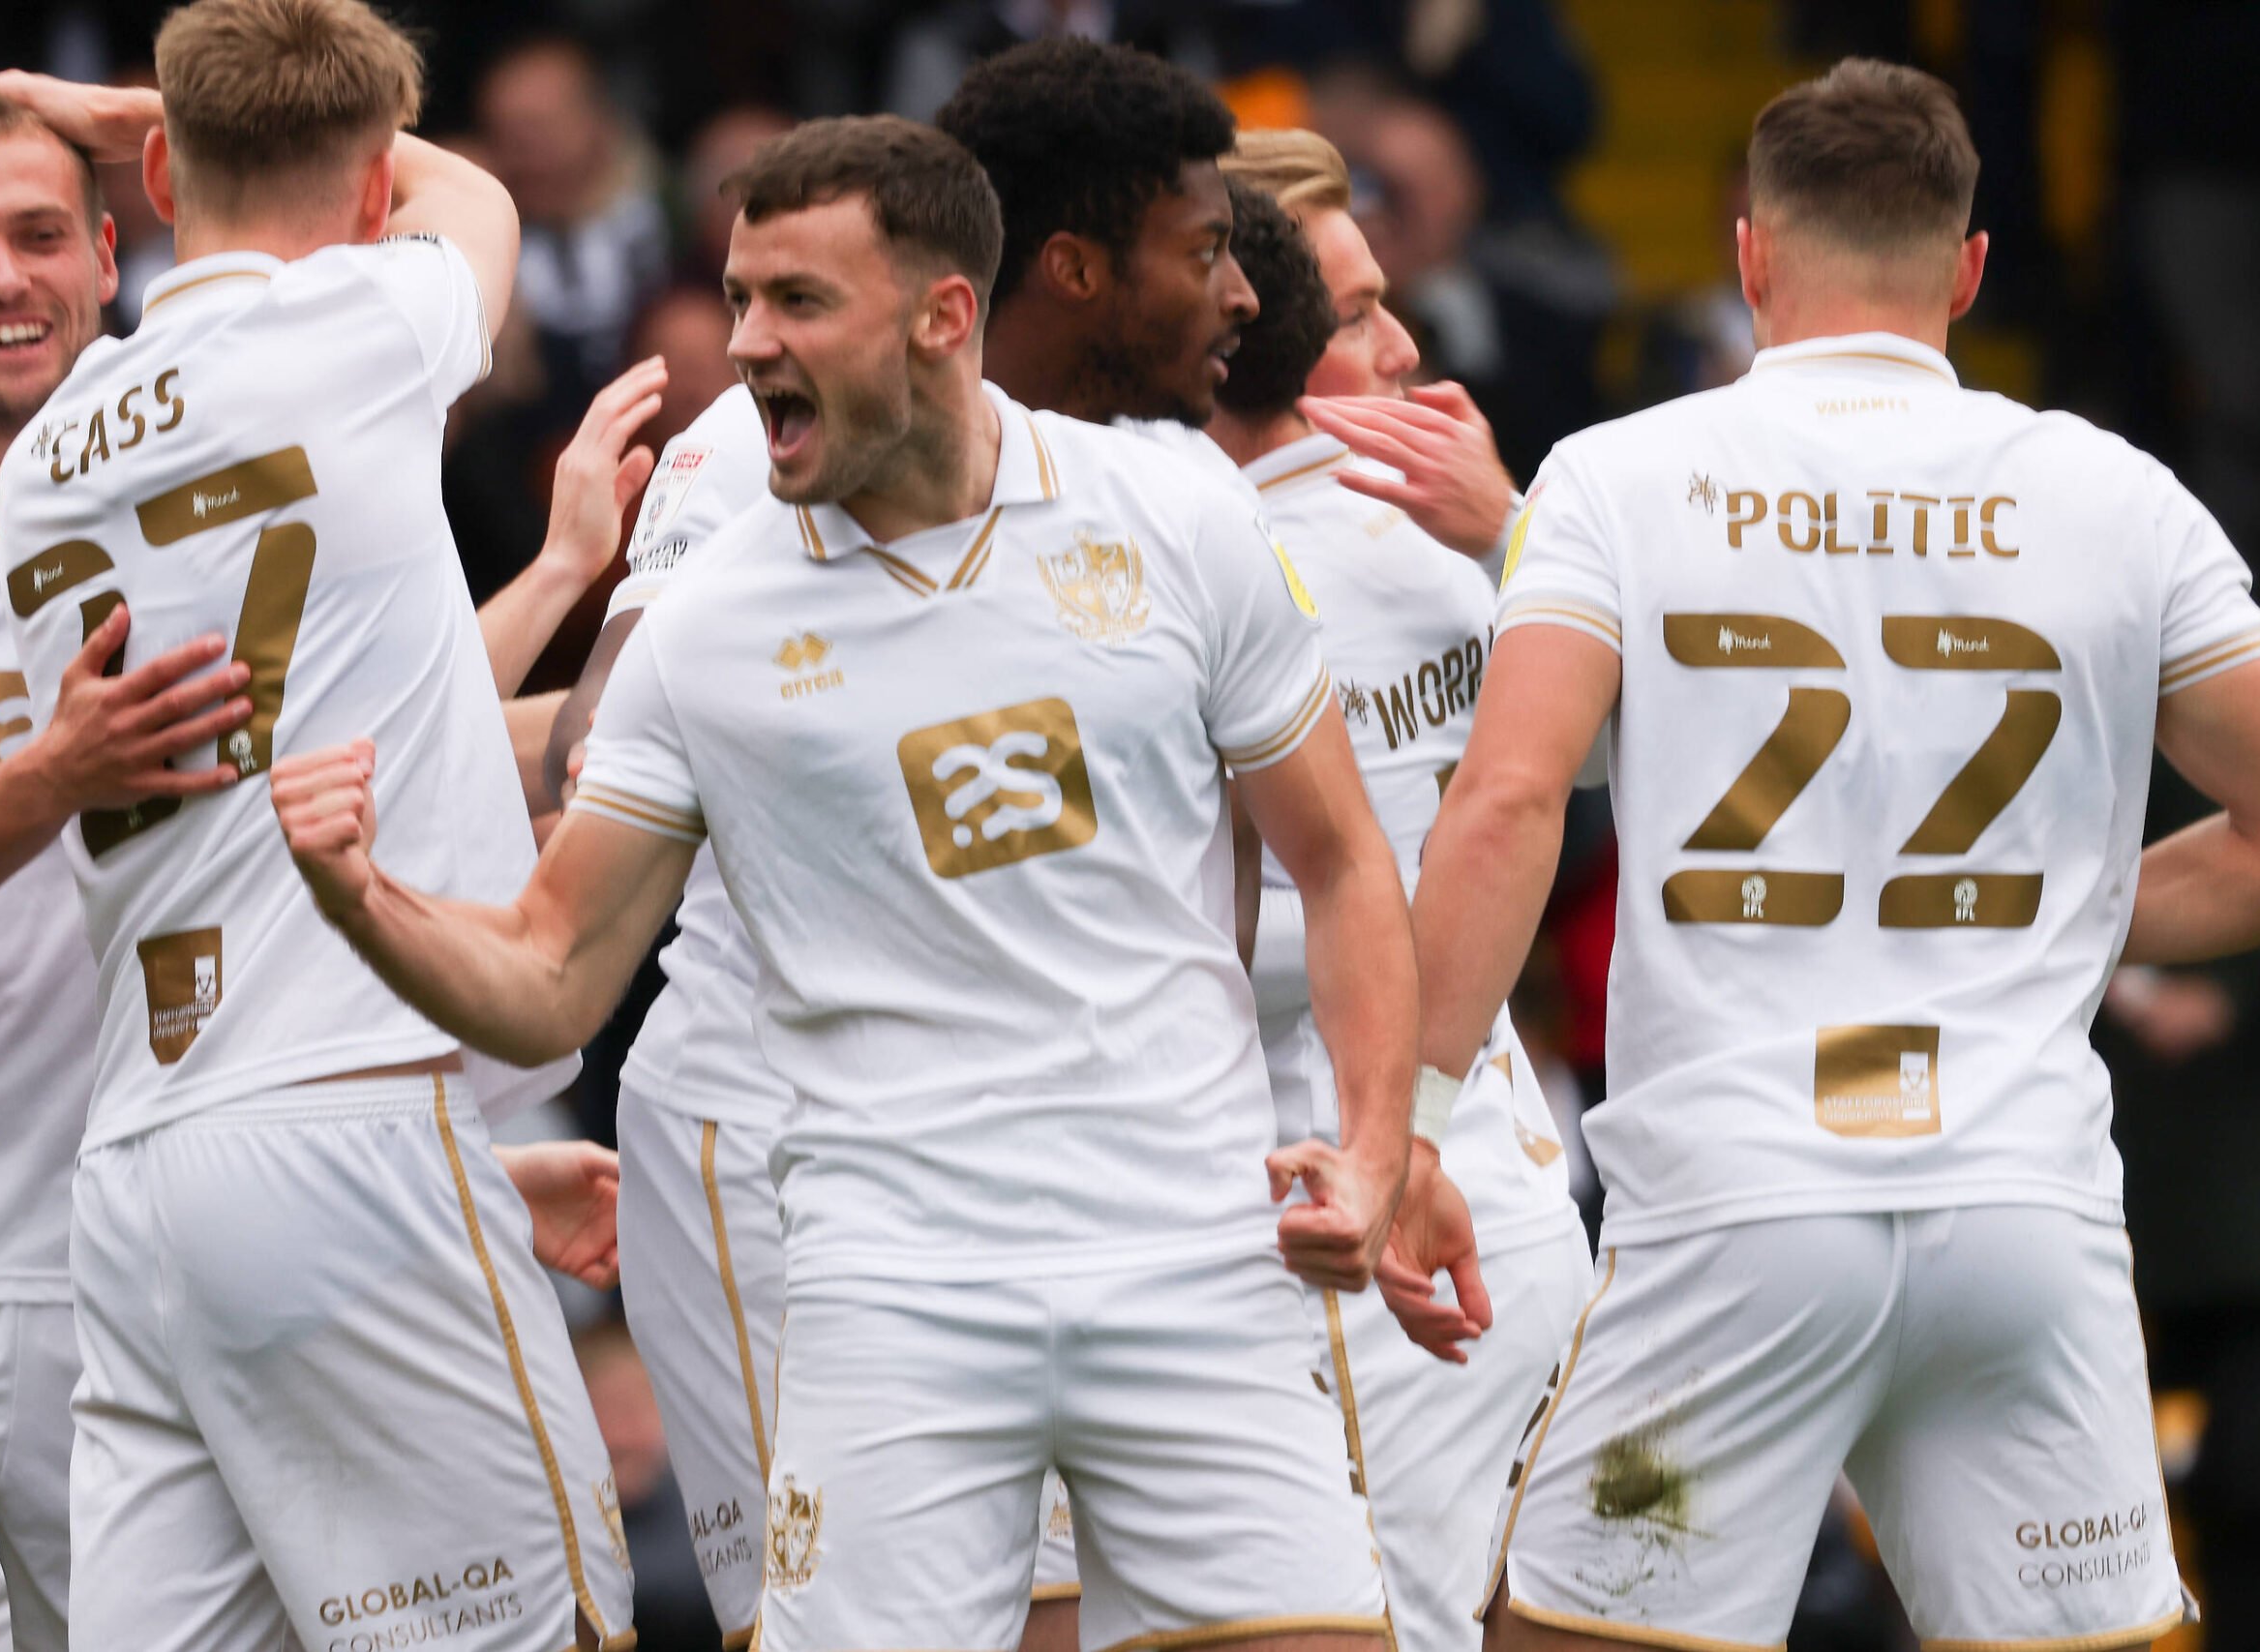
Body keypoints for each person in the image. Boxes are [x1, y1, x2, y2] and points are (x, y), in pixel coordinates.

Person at [274, 113, 1410, 1652]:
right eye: (740, 297)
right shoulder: (710, 624)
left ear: (945, 315)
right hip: (895, 1302)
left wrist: (1377, 1147)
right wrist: (365, 896)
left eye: (798, 301)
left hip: (1194, 1259)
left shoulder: (1174, 511)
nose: (748, 342)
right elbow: (549, 976)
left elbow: (1341, 860)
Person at [1413, 58, 2260, 1652]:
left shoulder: (1620, 474)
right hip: (2022, 1230)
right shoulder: (2120, 495)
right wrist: (2065, 924)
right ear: (1970, 268)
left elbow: (1508, 804)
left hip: (1740, 1231)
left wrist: (1405, 1125)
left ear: (1751, 255)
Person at [0, 71, 640, 1652]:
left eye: (39, 233)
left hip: (148, 1203)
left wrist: (553, 590)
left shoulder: (91, 465)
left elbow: (337, 734)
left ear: (115, 238)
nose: (4, 278)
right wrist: (51, 777)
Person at [534, 42, 1279, 1650]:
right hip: (771, 1128)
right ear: (1070, 269)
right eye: (1205, 249)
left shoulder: (1141, 494)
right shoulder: (758, 450)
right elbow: (602, 727)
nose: (1242, 295)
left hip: (1043, 1168)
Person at [1207, 151, 1593, 1652]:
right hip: (1496, 1193)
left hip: (1356, 1222)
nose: (1404, 348)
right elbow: (1646, 745)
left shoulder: (1199, 576)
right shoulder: (1470, 545)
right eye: (1357, 313)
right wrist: (1522, 535)